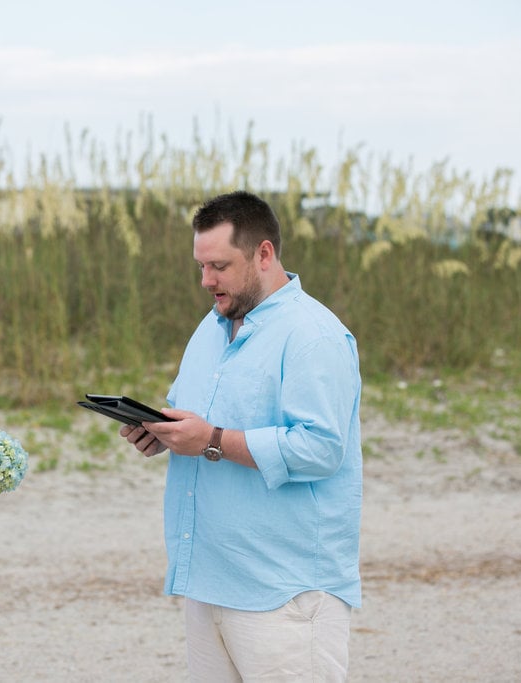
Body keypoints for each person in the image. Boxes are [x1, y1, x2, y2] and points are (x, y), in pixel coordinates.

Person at [120, 191, 362, 681]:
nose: (207, 280)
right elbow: (198, 419)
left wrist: (211, 440)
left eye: (219, 266)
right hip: (209, 582)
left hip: (284, 591)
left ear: (264, 254)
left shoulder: (313, 336)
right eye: (201, 266)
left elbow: (320, 449)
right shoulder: (211, 327)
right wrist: (162, 433)